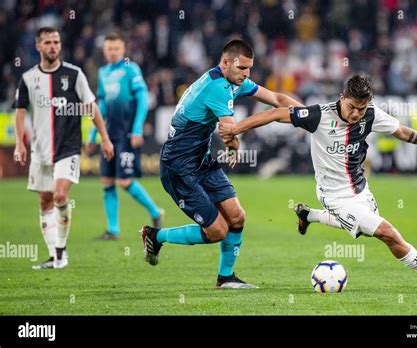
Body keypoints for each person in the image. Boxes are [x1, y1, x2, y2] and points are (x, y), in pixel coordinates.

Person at [219, 75, 417, 289]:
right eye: (352, 107)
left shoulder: (372, 115)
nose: (356, 114)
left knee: (367, 232)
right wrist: (236, 128)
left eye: (362, 108)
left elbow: (402, 132)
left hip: (361, 190)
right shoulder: (319, 115)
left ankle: (309, 215)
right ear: (341, 98)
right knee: (387, 233)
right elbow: (275, 113)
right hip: (334, 196)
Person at [140, 39, 304, 288]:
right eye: (242, 68)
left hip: (201, 160)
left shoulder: (233, 80)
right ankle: (156, 235)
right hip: (178, 167)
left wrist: (313, 113)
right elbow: (229, 132)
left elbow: (277, 99)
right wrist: (233, 146)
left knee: (237, 216)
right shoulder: (216, 87)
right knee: (217, 231)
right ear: (225, 62)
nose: (246, 74)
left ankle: (225, 278)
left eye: (249, 68)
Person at [13, 27, 114, 269]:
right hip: (40, 150)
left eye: (56, 42)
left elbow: (92, 107)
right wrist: (19, 142)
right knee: (45, 202)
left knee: (60, 196)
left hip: (68, 148)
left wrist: (105, 139)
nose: (53, 46)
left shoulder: (74, 74)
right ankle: (54, 255)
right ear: (38, 46)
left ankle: (60, 252)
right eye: (47, 42)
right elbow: (19, 111)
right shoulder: (28, 78)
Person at [86, 32, 163, 240]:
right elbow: (100, 105)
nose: (112, 52)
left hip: (127, 134)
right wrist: (93, 134)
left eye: (116, 48)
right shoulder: (103, 72)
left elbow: (143, 98)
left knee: (124, 181)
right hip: (108, 135)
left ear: (123, 50)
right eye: (109, 49)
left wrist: (137, 128)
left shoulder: (131, 69)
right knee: (106, 180)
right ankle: (113, 229)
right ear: (104, 50)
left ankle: (156, 212)